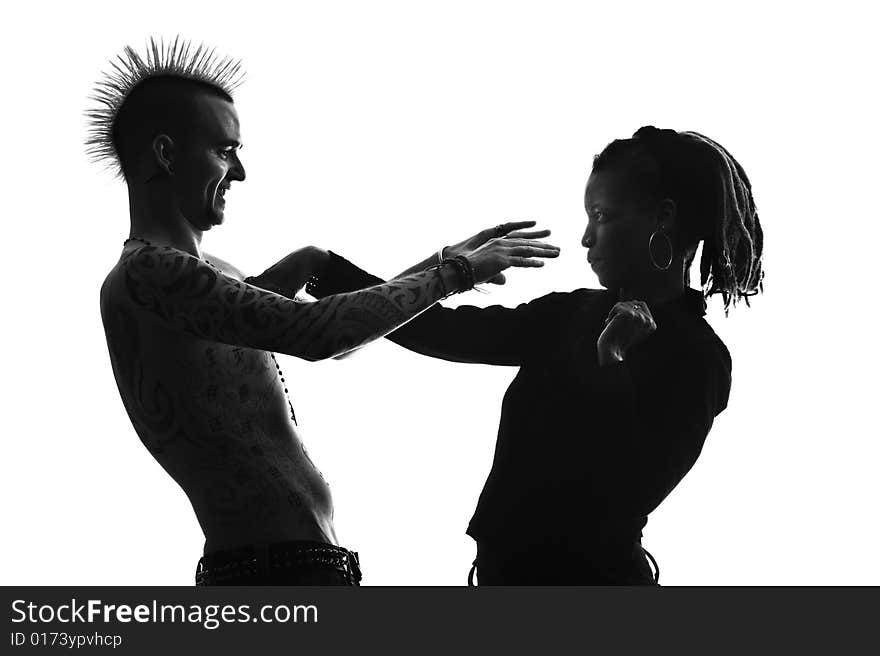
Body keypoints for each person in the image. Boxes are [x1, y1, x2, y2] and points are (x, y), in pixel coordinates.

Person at [88, 37, 560, 585]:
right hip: (268, 575)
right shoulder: (149, 274)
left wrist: (440, 262)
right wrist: (455, 273)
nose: (238, 173)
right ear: (167, 154)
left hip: (298, 566)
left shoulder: (210, 276)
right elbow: (315, 335)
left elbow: (341, 337)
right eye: (224, 150)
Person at [303, 126, 764, 584]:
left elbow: (629, 491)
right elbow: (442, 332)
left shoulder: (699, 355)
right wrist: (337, 270)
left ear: (662, 218)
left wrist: (612, 356)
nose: (586, 238)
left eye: (602, 216)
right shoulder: (571, 314)